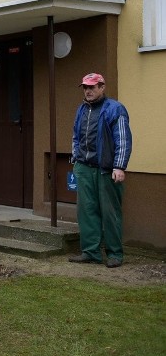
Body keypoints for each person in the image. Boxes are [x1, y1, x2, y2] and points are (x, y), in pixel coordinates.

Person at [69, 73, 132, 268]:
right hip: (84, 168)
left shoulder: (115, 109)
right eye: (85, 87)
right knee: (86, 211)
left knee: (110, 212)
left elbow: (123, 139)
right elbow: (76, 136)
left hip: (106, 169)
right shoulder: (81, 109)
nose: (88, 91)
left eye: (92, 87)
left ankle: (115, 254)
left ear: (102, 87)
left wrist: (119, 166)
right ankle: (90, 252)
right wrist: (76, 158)